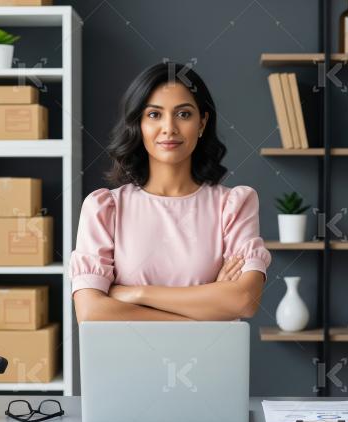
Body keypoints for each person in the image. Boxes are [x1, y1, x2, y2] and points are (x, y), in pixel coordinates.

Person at [70, 62, 272, 322]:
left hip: (213, 361)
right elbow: (91, 311)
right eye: (154, 115)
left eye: (184, 114)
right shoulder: (105, 208)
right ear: (138, 124)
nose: (169, 128)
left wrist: (136, 293)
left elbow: (243, 300)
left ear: (202, 123)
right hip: (122, 360)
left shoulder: (233, 205)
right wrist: (207, 312)